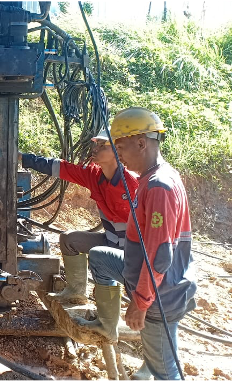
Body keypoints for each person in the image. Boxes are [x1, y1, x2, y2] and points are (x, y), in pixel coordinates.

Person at [84, 107, 197, 380]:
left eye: (120, 146)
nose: (117, 153)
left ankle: (154, 367)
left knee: (165, 371)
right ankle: (109, 326)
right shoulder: (151, 179)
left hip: (161, 293)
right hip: (155, 281)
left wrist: (141, 302)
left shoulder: (159, 186)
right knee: (100, 256)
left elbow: (159, 255)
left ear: (141, 143)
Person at [18, 127, 139, 305]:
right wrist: (23, 158)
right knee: (69, 240)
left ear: (117, 151)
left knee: (104, 265)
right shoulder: (94, 175)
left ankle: (119, 314)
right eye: (95, 144)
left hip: (133, 251)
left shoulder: (133, 184)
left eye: (102, 145)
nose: (95, 149)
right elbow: (62, 168)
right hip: (111, 242)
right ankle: (75, 293)